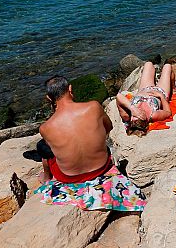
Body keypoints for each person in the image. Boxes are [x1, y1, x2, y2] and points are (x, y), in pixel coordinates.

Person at [35, 76, 146, 211]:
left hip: (68, 177)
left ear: (49, 98)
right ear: (70, 89)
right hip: (101, 168)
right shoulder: (94, 106)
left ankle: (47, 177)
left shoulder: (45, 128)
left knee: (43, 147)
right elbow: (108, 128)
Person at [115, 62, 176, 134]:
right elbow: (168, 113)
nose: (133, 116)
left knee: (148, 64)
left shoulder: (127, 116)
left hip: (144, 88)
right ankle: (174, 88)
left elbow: (119, 96)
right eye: (136, 117)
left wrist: (133, 108)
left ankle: (156, 77)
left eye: (132, 118)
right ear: (144, 118)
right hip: (160, 91)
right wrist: (161, 97)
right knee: (167, 66)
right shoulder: (153, 115)